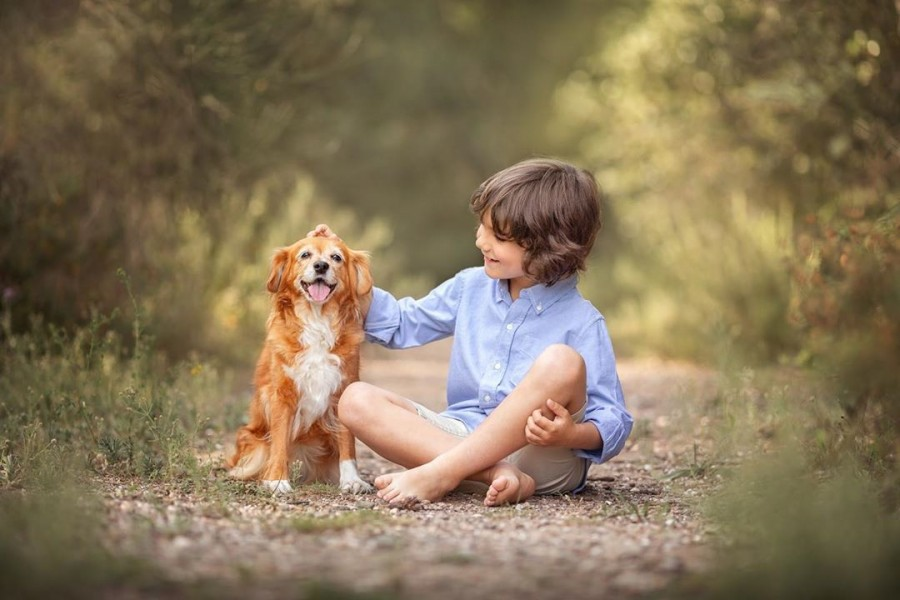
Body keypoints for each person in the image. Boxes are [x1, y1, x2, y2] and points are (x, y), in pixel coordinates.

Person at [311, 158, 632, 507]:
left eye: (498, 236)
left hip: (538, 455)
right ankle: (491, 475)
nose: (481, 240)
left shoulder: (583, 321)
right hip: (460, 437)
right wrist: (345, 267)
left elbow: (612, 419)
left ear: (549, 247)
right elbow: (403, 324)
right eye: (482, 227)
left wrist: (571, 434)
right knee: (355, 399)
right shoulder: (470, 287)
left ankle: (444, 472)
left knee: (561, 362)